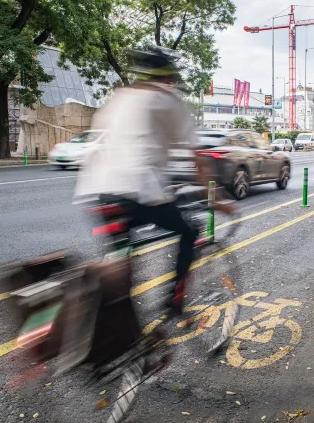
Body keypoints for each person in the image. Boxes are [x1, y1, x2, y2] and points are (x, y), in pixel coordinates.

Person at [73, 46, 234, 315]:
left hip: (99, 191)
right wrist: (217, 199)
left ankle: (121, 324)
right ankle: (175, 301)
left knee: (120, 259)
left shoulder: (119, 97)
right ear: (169, 78)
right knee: (189, 232)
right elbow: (198, 160)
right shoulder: (169, 100)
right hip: (140, 190)